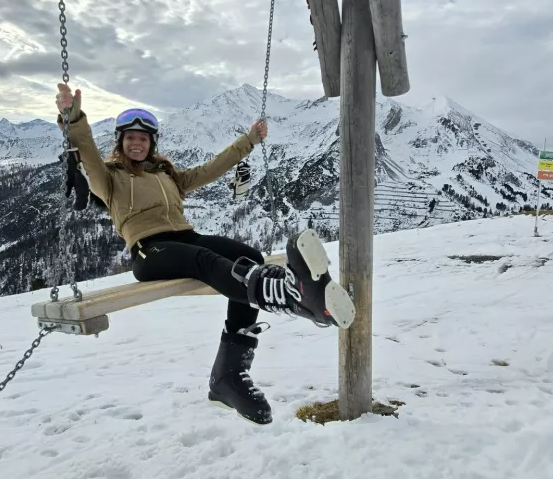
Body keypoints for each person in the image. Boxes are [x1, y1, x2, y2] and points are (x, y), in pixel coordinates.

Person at [55, 83, 355, 425]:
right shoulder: (109, 179)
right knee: (205, 262)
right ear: (121, 142)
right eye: (130, 138)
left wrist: (249, 141)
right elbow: (89, 156)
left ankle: (228, 375)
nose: (137, 143)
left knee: (247, 255)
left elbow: (212, 169)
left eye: (143, 138)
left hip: (187, 238)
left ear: (152, 144)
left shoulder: (167, 175)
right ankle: (291, 298)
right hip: (149, 250)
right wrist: (72, 117)